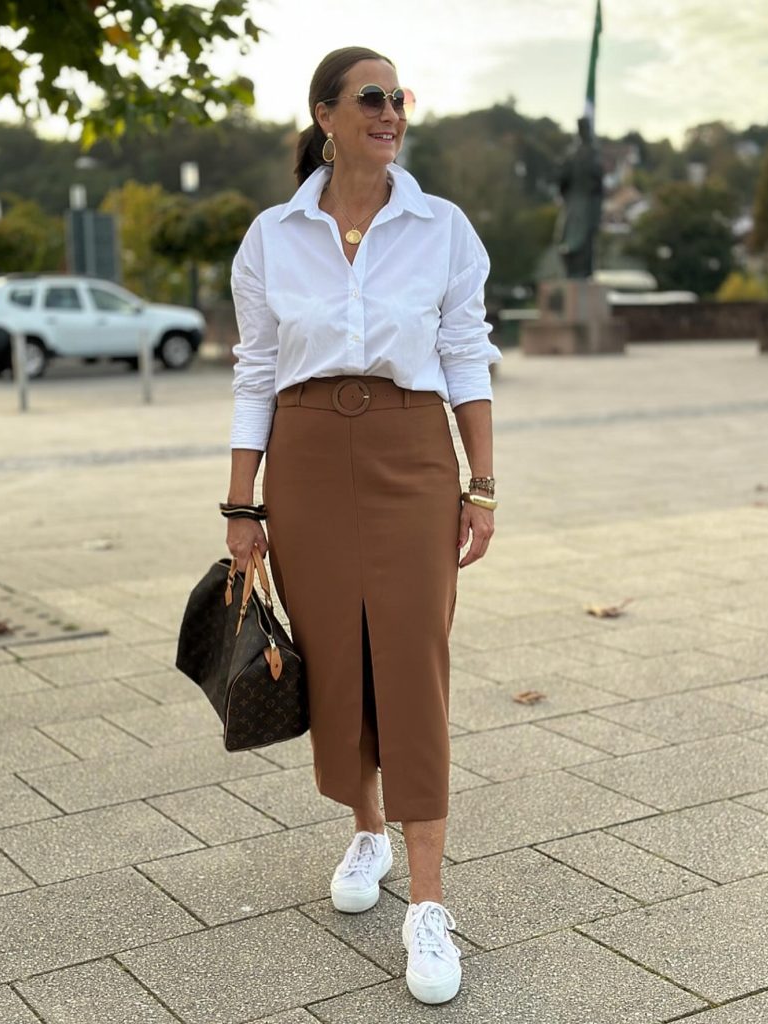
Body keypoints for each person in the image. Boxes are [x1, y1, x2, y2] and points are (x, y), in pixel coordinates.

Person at [225, 46, 500, 1005]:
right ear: (327, 116)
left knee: (414, 662)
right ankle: (366, 829)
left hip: (412, 453)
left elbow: (466, 354)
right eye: (371, 98)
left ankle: (427, 902)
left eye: (399, 99)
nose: (390, 113)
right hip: (302, 458)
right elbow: (255, 369)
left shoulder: (443, 227)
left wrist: (484, 484)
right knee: (335, 658)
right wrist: (240, 501)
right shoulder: (271, 236)